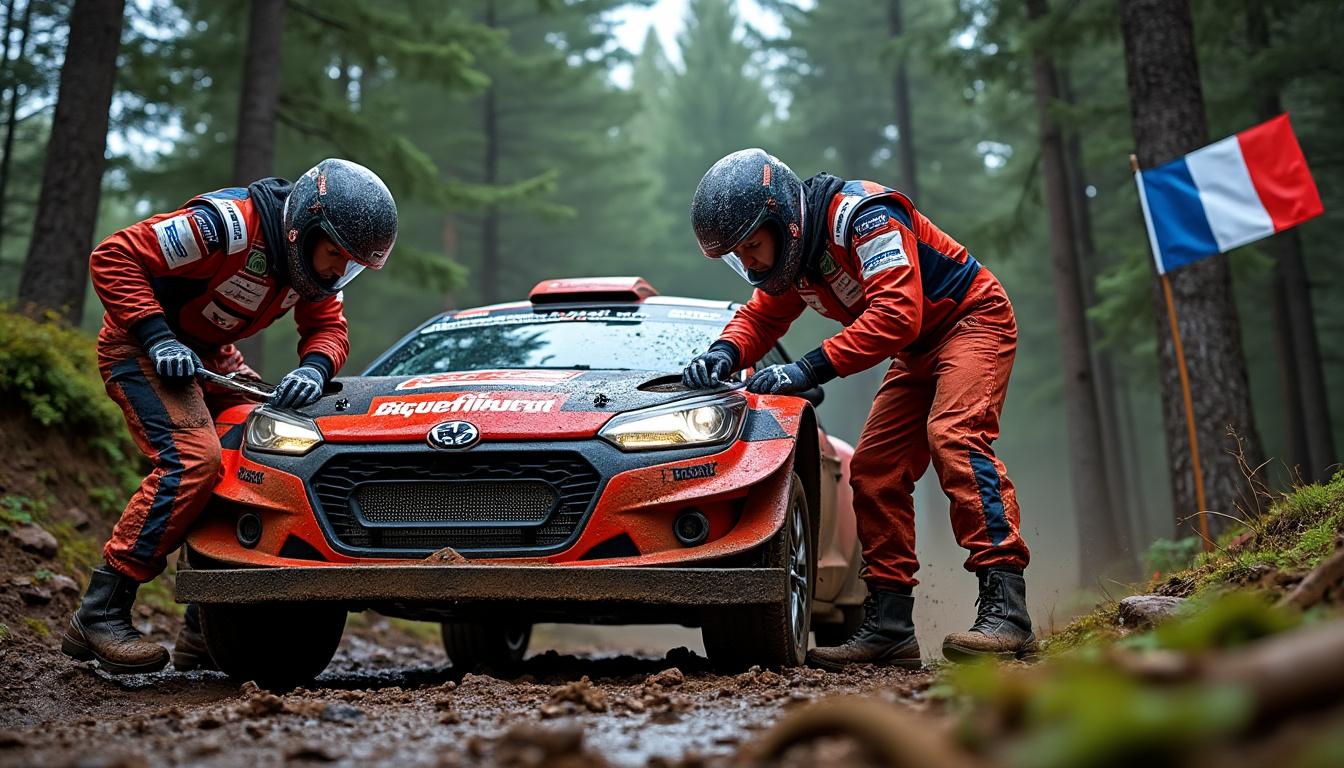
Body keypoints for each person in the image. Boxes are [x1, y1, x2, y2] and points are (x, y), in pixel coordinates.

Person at [682, 148, 1034, 668]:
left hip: (972, 321)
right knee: (873, 471)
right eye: (739, 256)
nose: (751, 264)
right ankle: (890, 627)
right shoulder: (795, 263)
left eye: (752, 246)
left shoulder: (864, 216)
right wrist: (723, 353)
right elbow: (759, 319)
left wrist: (805, 370)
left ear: (782, 218)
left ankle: (1008, 611)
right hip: (917, 349)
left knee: (955, 436)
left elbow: (896, 314)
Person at [60, 158, 397, 674]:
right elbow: (113, 256)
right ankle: (100, 611)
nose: (337, 272)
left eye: (351, 266)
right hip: (139, 347)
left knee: (268, 445)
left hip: (212, 356)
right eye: (336, 256)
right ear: (304, 226)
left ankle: (205, 628)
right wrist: (157, 336)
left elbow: (329, 329)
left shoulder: (316, 270)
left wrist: (313, 368)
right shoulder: (226, 224)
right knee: (194, 461)